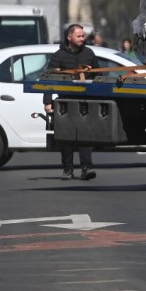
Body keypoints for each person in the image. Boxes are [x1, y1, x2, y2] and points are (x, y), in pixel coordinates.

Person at [43, 24, 98, 181]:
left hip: (85, 102)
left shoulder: (89, 53)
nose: (82, 38)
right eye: (79, 36)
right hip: (65, 103)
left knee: (85, 137)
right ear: (69, 37)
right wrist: (47, 102)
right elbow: (48, 79)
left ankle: (86, 168)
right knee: (66, 137)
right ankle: (67, 170)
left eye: (83, 36)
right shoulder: (58, 56)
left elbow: (98, 76)